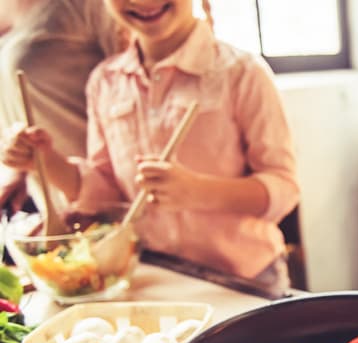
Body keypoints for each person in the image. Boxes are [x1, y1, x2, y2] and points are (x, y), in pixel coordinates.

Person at [1, 0, 299, 287]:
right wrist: (45, 161)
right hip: (154, 274)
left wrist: (197, 191)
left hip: (244, 277)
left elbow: (283, 188)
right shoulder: (104, 83)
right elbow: (106, 191)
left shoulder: (243, 73)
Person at [0, 0, 124, 213]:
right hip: (55, 207)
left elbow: (137, 81)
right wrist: (17, 168)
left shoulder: (85, 6)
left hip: (111, 199)